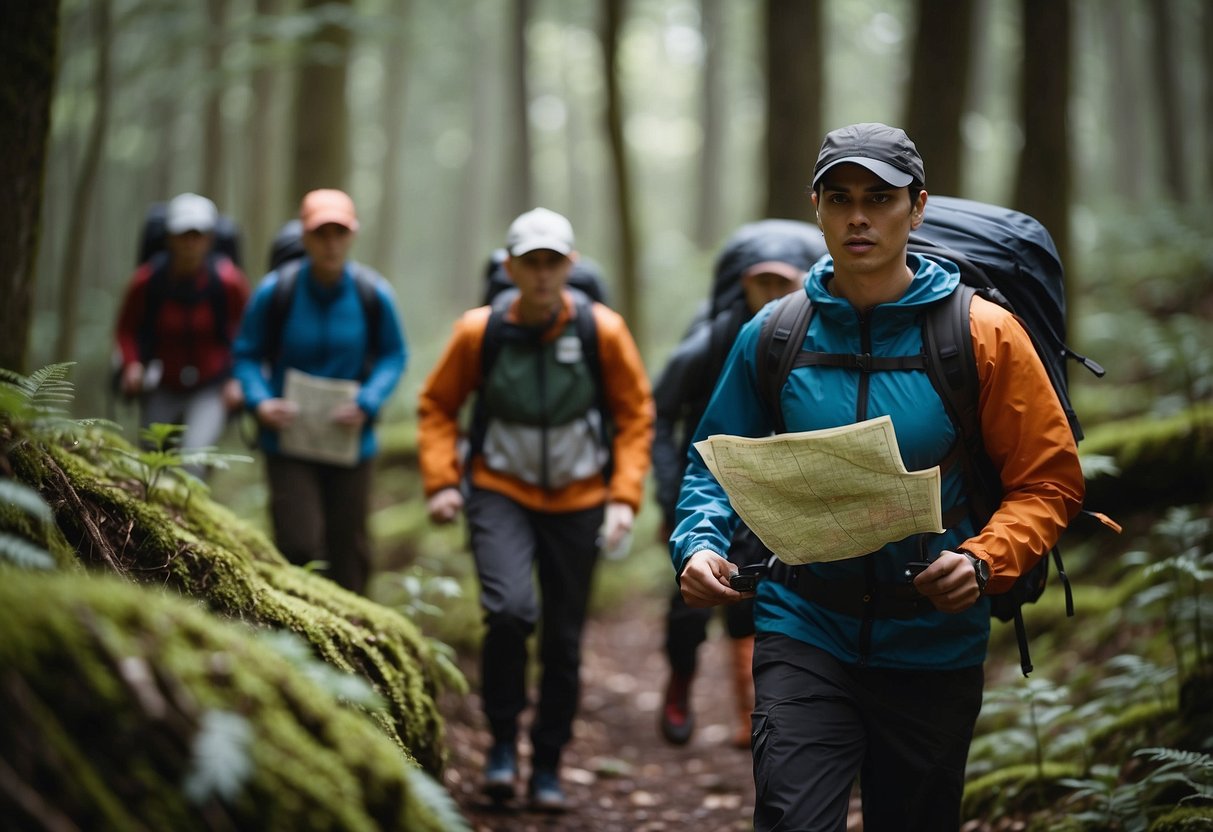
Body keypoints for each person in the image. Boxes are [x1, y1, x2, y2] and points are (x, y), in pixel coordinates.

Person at [670, 123, 1085, 831]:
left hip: (932, 638)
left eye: (879, 198)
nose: (858, 216)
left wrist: (985, 560)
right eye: (839, 198)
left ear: (916, 208)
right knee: (792, 818)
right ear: (817, 207)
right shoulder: (773, 333)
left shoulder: (981, 335)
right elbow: (712, 459)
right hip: (801, 623)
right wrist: (698, 544)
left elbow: (1049, 481)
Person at [418, 207, 653, 812]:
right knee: (508, 612)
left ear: (571, 266)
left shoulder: (603, 331)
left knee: (564, 641)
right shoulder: (479, 331)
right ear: (510, 267)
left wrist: (623, 499)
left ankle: (546, 764)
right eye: (531, 263)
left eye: (553, 263)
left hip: (580, 499)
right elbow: (438, 405)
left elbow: (634, 417)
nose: (543, 275)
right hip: (499, 491)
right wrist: (443, 482)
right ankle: (501, 745)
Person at [652, 219, 826, 748]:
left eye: (783, 283)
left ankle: (752, 717)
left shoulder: (815, 339)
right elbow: (657, 416)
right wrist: (669, 492)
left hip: (779, 496)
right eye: (761, 282)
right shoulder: (710, 342)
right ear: (742, 284)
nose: (772, 294)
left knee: (755, 603)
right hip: (705, 495)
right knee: (688, 608)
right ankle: (680, 681)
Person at [232, 189, 407, 595]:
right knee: (299, 543)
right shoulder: (277, 291)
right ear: (305, 237)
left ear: (352, 236)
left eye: (339, 233)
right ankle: (296, 633)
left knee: (350, 549)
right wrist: (259, 402)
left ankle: (355, 640)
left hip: (351, 442)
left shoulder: (372, 293)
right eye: (320, 234)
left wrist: (368, 400)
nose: (330, 243)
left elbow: (394, 354)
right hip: (288, 440)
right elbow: (246, 353)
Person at [113, 192, 249, 475]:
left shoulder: (229, 282)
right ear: (169, 237)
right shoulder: (147, 281)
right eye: (182, 234)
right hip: (162, 383)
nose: (190, 243)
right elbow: (126, 330)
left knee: (193, 458)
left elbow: (247, 336)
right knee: (151, 462)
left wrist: (237, 379)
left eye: (197, 235)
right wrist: (131, 365)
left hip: (212, 387)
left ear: (210, 239)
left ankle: (188, 516)